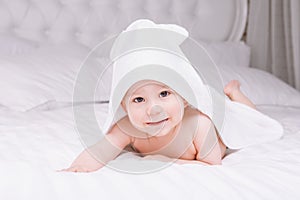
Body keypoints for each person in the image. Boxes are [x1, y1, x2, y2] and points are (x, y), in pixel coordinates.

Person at [61, 79, 255, 173]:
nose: (153, 109)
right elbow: (101, 149)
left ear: (185, 99)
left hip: (224, 125)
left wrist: (163, 160)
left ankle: (234, 92)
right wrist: (77, 168)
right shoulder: (127, 128)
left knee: (250, 119)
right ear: (123, 106)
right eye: (138, 99)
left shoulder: (199, 124)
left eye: (164, 94)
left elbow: (212, 165)